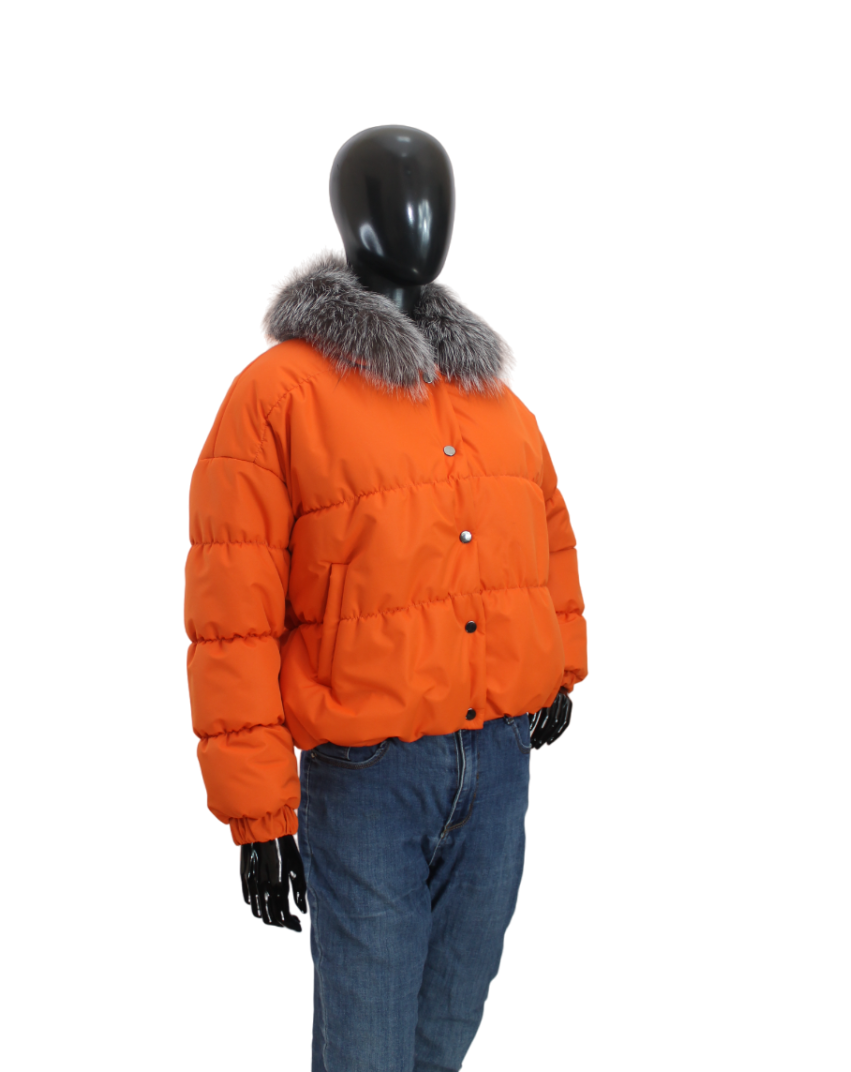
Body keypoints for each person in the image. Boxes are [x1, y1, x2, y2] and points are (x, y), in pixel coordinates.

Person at [184, 125, 587, 1072]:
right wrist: (259, 811)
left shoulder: (494, 401)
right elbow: (231, 609)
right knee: (368, 1047)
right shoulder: (278, 395)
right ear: (351, 219)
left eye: (434, 197)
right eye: (395, 198)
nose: (420, 218)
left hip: (499, 764)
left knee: (448, 1024)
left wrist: (558, 665)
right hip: (368, 776)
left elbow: (549, 535)